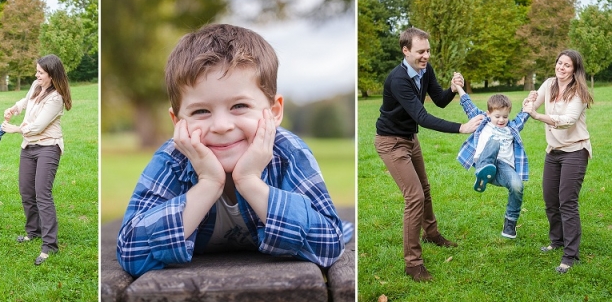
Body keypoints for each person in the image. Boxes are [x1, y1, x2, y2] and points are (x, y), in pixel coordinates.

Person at [116, 24, 353, 278]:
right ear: (178, 122)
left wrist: (249, 181)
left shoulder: (288, 153)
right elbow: (131, 250)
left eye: (239, 106)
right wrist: (208, 184)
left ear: (274, 112)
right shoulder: (172, 160)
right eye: (200, 111)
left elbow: (329, 244)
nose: (221, 126)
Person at [374, 27, 483, 282]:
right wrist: (461, 128)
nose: (426, 56)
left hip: (410, 139)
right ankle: (413, 265)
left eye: (428, 50)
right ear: (406, 50)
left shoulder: (425, 70)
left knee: (425, 188)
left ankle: (431, 234)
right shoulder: (398, 79)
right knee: (414, 197)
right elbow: (422, 117)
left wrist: (456, 88)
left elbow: (440, 100)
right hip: (391, 142)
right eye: (421, 51)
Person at [1, 54, 72, 266]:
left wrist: (15, 129)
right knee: (26, 191)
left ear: (52, 75)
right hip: (29, 148)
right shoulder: (35, 85)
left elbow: (38, 126)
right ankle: (33, 231)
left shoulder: (56, 98)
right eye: (36, 71)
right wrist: (14, 108)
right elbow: (26, 101)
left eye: (40, 72)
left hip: (48, 147)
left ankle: (49, 244)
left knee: (43, 194)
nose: (36, 75)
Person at [527, 49, 593, 274]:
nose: (561, 67)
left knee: (567, 202)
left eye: (567, 65)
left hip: (575, 150)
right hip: (553, 151)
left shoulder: (579, 92)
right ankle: (556, 241)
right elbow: (532, 106)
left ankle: (570, 255)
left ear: (575, 69)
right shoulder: (549, 84)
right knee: (550, 200)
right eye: (559, 63)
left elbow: (567, 121)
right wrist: (530, 103)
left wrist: (538, 116)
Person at [454, 84, 534, 239]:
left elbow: (524, 115)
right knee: (494, 142)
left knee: (518, 186)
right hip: (485, 158)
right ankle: (483, 170)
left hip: (503, 167)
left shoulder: (512, 127)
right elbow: (468, 104)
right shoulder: (482, 121)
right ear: (488, 113)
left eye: (505, 116)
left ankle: (510, 224)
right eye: (497, 116)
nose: (501, 120)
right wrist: (458, 88)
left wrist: (530, 100)